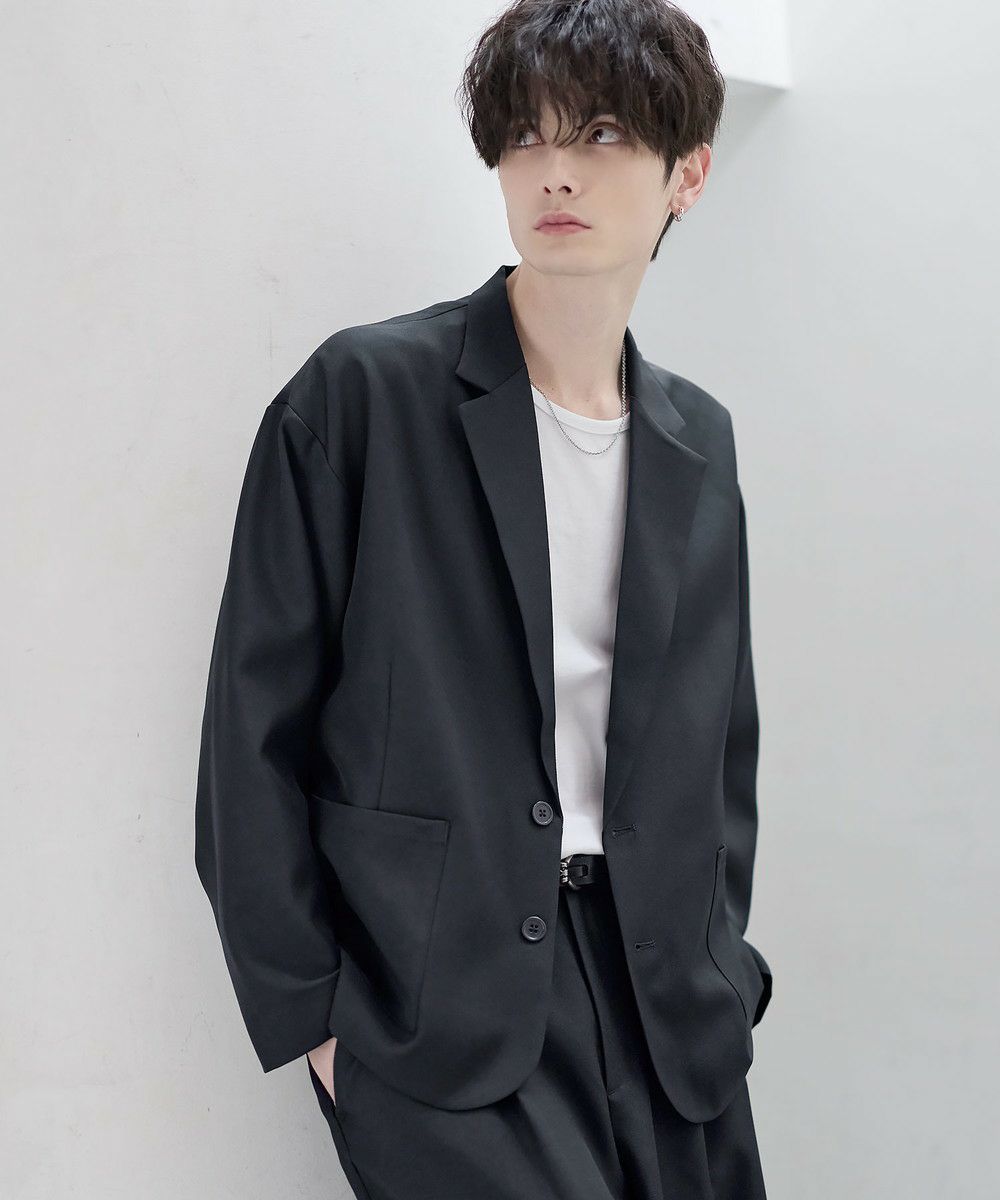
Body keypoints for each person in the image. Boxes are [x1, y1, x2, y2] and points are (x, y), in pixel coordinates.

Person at [195, 1, 774, 1196]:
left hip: (668, 1008)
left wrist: (728, 967)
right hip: (442, 1013)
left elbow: (720, 745)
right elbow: (249, 736)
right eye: (525, 135)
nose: (554, 169)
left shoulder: (699, 440)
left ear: (688, 173)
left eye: (601, 132)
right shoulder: (363, 397)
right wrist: (316, 1022)